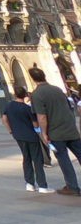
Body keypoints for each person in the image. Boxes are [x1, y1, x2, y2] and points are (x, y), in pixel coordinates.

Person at [29, 66, 81, 196]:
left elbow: (41, 117)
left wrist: (44, 133)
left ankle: (72, 187)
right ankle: (71, 186)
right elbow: (69, 108)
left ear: (33, 79)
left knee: (64, 159)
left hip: (56, 133)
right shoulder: (58, 89)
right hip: (71, 129)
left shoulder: (37, 94)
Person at [2, 86, 52, 193]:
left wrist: (10, 130)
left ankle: (29, 184)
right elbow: (35, 124)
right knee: (37, 160)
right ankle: (42, 185)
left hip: (18, 136)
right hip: (31, 136)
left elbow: (4, 119)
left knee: (26, 158)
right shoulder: (27, 108)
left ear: (15, 94)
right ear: (25, 95)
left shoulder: (9, 106)